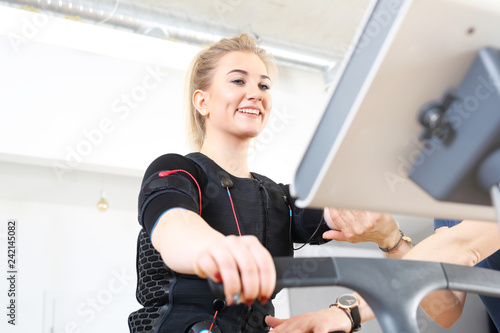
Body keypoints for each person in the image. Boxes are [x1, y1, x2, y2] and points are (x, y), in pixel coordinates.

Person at [127, 33, 363, 333]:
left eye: (264, 85)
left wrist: (365, 210)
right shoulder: (176, 170)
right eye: (239, 81)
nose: (256, 93)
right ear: (203, 101)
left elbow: (337, 211)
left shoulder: (279, 199)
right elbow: (174, 227)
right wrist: (217, 250)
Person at [265, 212, 500, 332]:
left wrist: (348, 310)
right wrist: (391, 239)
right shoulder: (455, 192)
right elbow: (448, 309)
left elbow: (465, 245)